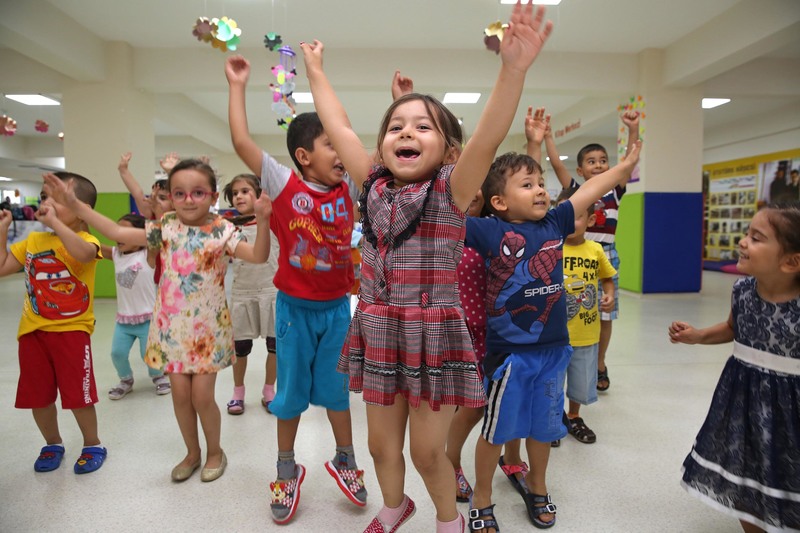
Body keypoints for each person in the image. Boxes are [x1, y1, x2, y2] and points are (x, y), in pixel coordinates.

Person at [301, 2, 554, 531]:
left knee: (425, 452)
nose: (406, 133)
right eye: (396, 126)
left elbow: (487, 137)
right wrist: (317, 73)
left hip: (433, 336)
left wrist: (512, 71)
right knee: (379, 445)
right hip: (378, 330)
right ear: (381, 145)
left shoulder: (450, 190)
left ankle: (447, 518)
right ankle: (394, 507)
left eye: (422, 127)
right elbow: (338, 124)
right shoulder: (368, 183)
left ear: (448, 151)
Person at [42, 159, 272, 483]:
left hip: (207, 330)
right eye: (180, 193)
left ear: (213, 195)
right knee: (180, 397)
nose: (188, 200)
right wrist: (76, 205)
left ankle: (215, 451)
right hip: (171, 330)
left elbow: (258, 256)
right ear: (172, 196)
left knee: (202, 397)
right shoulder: (165, 226)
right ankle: (192, 453)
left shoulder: (223, 229)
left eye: (197, 192)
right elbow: (117, 231)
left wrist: (263, 221)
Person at [466, 144, 641, 531]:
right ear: (499, 201)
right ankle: (482, 495)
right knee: (496, 430)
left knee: (544, 428)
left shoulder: (554, 224)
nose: (541, 189)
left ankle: (538, 485)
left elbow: (588, 192)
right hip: (510, 357)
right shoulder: (490, 229)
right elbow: (445, 216)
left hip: (553, 353)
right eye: (527, 184)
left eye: (541, 182)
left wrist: (625, 167)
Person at [226, 56, 367, 524]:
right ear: (305, 156)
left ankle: (346, 460)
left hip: (336, 311)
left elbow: (346, 131)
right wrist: (237, 86)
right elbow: (242, 142)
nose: (341, 152)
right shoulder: (284, 183)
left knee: (337, 391)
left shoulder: (348, 188)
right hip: (293, 311)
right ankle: (287, 471)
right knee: (288, 396)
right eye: (329, 144)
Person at [668, 202, 800, 533]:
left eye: (756, 238)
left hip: (791, 409)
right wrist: (698, 336)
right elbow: (732, 328)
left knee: (788, 473)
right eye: (746, 233)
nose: (743, 241)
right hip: (743, 402)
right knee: (747, 472)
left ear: (791, 262)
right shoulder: (742, 291)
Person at [0, 171, 108, 474]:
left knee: (79, 395)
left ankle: (92, 444)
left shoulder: (87, 239)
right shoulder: (33, 240)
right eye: (46, 196)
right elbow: (2, 266)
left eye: (59, 199)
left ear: (82, 209)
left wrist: (57, 225)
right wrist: (3, 230)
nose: (48, 203)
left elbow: (84, 255)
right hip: (33, 332)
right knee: (38, 396)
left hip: (72, 332)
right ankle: (53, 443)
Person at [531, 109, 640, 393]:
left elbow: (628, 164)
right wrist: (549, 137)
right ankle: (568, 355)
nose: (599, 165)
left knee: (605, 314)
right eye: (592, 161)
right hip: (574, 254)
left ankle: (599, 363)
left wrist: (632, 130)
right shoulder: (577, 191)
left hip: (605, 254)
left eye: (604, 161)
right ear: (580, 170)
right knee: (573, 310)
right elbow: (555, 164)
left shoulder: (615, 190)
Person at [553, 187, 616, 445]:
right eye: (563, 215)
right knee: (554, 381)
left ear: (590, 220)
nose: (570, 222)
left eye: (577, 216)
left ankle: (574, 416)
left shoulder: (596, 250)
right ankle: (554, 419)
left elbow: (607, 279)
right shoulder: (551, 248)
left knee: (579, 380)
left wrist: (609, 296)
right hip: (554, 334)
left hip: (585, 331)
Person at [221, 174, 280, 415]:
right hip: (242, 293)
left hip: (272, 290)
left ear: (258, 194)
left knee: (275, 347)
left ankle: (269, 390)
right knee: (240, 349)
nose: (239, 196)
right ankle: (238, 392)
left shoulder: (273, 220)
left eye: (245, 191)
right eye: (235, 193)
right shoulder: (228, 227)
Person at [100, 213, 170, 399]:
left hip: (147, 318)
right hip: (124, 320)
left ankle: (159, 376)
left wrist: (155, 209)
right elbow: (92, 246)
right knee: (117, 353)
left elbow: (157, 235)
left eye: (126, 232)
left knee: (148, 354)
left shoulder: (148, 254)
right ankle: (125, 380)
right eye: (118, 230)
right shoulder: (116, 255)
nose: (119, 236)